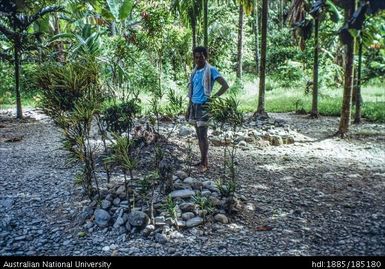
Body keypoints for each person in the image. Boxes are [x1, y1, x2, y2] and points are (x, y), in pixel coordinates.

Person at [186, 46, 229, 172]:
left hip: (204, 106)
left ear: (206, 57)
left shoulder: (211, 70)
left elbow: (225, 85)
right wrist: (188, 107)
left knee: (203, 136)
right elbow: (192, 91)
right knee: (198, 135)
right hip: (194, 105)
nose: (198, 59)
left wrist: (212, 99)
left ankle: (205, 164)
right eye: (196, 57)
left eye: (201, 57)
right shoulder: (194, 72)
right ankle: (203, 160)